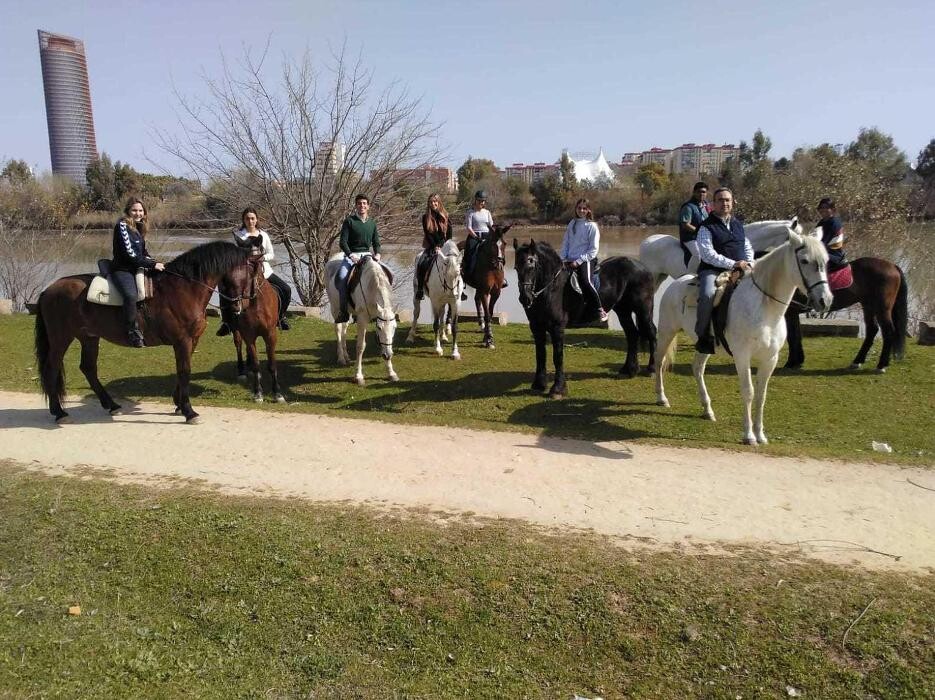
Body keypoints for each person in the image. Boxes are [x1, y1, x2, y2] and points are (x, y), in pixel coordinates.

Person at [694, 187, 754, 354]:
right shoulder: (706, 227)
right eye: (720, 200)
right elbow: (707, 255)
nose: (724, 203)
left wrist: (749, 262)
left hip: (741, 268)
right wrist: (734, 264)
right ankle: (703, 335)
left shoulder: (737, 224)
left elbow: (747, 246)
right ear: (713, 204)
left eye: (727, 200)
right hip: (712, 270)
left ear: (732, 202)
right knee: (707, 294)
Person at [217, 207, 292, 336]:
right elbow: (231, 253)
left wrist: (262, 257)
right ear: (244, 220)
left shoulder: (264, 235)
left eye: (252, 218)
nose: (250, 221)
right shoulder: (238, 235)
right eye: (247, 218)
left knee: (286, 289)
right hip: (242, 273)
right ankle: (227, 323)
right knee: (224, 289)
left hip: (263, 271)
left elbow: (271, 254)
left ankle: (280, 317)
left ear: (256, 220)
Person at [111, 197, 164, 347]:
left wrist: (155, 262)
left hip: (136, 267)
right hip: (123, 269)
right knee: (130, 295)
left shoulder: (139, 227)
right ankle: (131, 331)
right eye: (134, 210)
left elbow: (143, 252)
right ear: (128, 211)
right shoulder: (122, 226)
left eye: (140, 210)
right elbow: (131, 255)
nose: (138, 213)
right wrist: (152, 264)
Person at [334, 193, 381, 323]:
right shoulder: (349, 221)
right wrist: (351, 255)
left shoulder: (372, 223)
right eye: (359, 203)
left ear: (368, 206)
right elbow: (343, 242)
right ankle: (343, 311)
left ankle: (379, 310)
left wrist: (378, 253)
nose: (362, 206)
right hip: (351, 256)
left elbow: (376, 242)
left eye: (364, 203)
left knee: (388, 274)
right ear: (356, 205)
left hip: (368, 255)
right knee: (342, 277)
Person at [560, 198, 608, 322]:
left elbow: (593, 249)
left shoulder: (592, 226)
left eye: (584, 208)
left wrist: (579, 261)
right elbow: (566, 242)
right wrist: (563, 258)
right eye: (579, 207)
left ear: (588, 210)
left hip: (586, 259)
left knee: (586, 282)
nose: (581, 210)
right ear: (576, 209)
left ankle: (600, 309)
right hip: (569, 258)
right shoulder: (572, 223)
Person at [415, 193, 452, 300]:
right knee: (421, 263)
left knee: (456, 263)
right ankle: (421, 290)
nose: (433, 204)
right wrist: (435, 246)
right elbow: (428, 234)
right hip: (431, 246)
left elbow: (449, 234)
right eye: (431, 202)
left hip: (445, 245)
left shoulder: (446, 215)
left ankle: (459, 289)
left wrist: (442, 245)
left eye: (435, 201)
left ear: (439, 202)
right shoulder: (425, 217)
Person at [678, 181, 709, 270]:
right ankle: (691, 276)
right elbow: (685, 224)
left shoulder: (707, 206)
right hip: (690, 238)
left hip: (704, 237)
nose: (701, 194)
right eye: (699, 191)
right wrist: (699, 231)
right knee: (699, 254)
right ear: (694, 192)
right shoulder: (688, 207)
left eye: (704, 192)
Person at [816, 197, 847, 271]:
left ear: (833, 209)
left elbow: (822, 243)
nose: (823, 209)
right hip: (824, 253)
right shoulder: (821, 222)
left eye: (826, 207)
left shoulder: (834, 223)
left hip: (833, 257)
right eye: (821, 207)